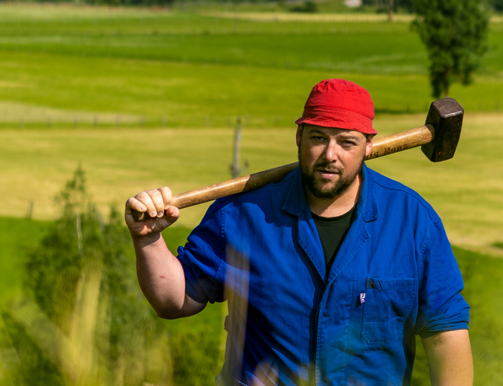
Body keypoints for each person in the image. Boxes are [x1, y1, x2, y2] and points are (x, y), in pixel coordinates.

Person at [124, 79, 472, 386]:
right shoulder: (242, 214)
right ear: (298, 137)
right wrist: (148, 239)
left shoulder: (413, 223)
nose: (330, 155)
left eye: (346, 143)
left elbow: (447, 334)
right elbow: (175, 300)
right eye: (318, 138)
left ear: (369, 146)